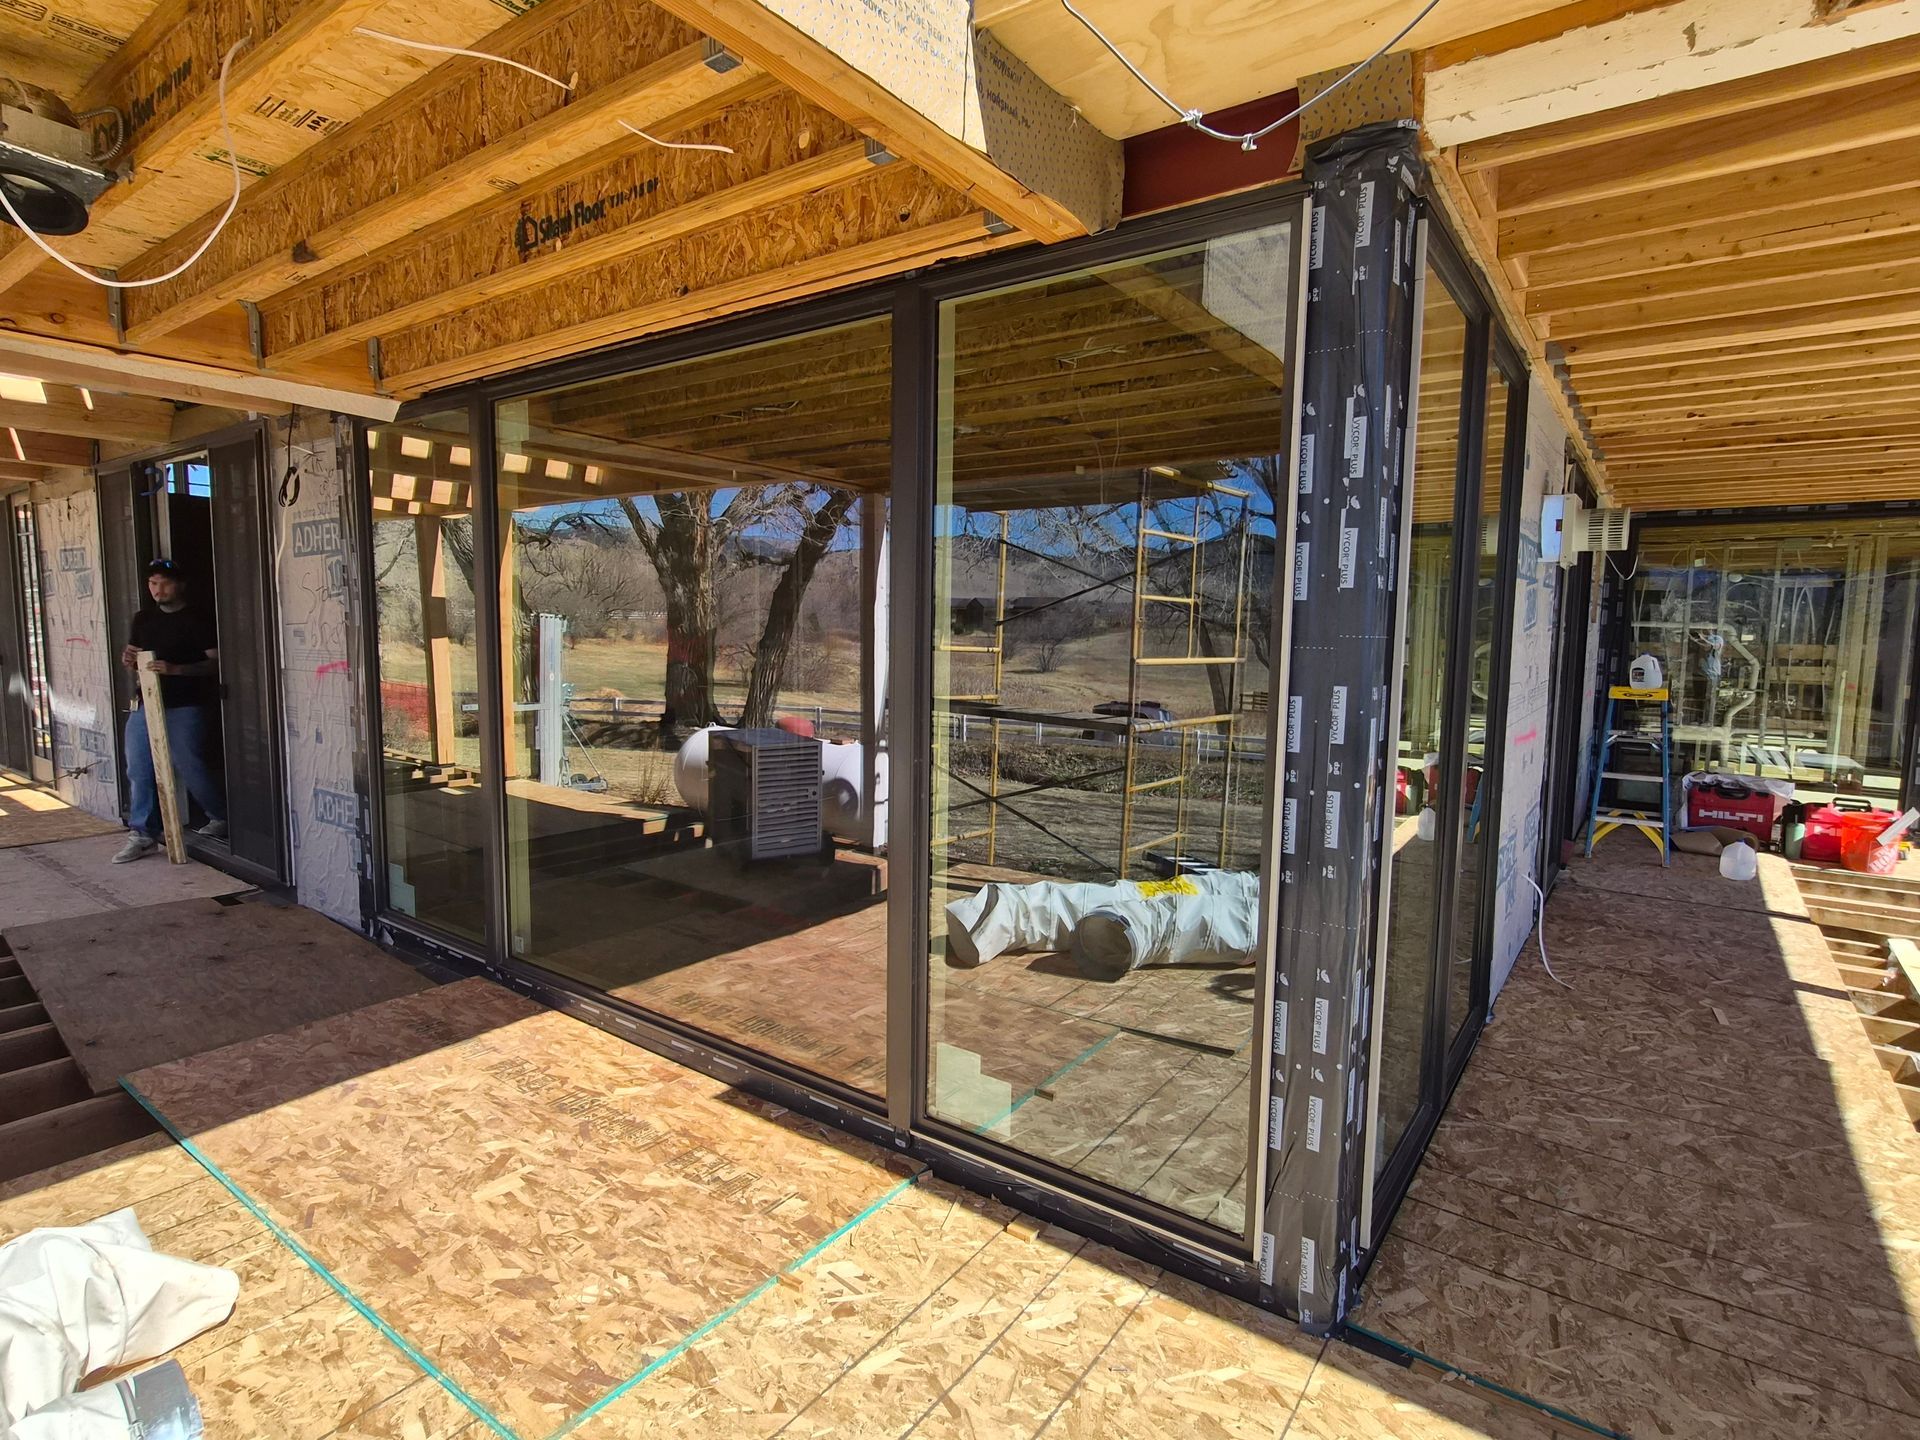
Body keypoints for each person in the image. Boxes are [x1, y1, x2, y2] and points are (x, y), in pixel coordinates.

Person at [113, 559, 227, 863]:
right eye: (153, 583)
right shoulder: (143, 619)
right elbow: (134, 654)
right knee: (138, 768)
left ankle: (220, 816)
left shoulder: (198, 619)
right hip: (146, 702)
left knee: (189, 763)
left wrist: (176, 669)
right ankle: (143, 834)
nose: (158, 590)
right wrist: (129, 659)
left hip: (186, 703)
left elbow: (217, 663)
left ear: (180, 585)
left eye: (164, 583)